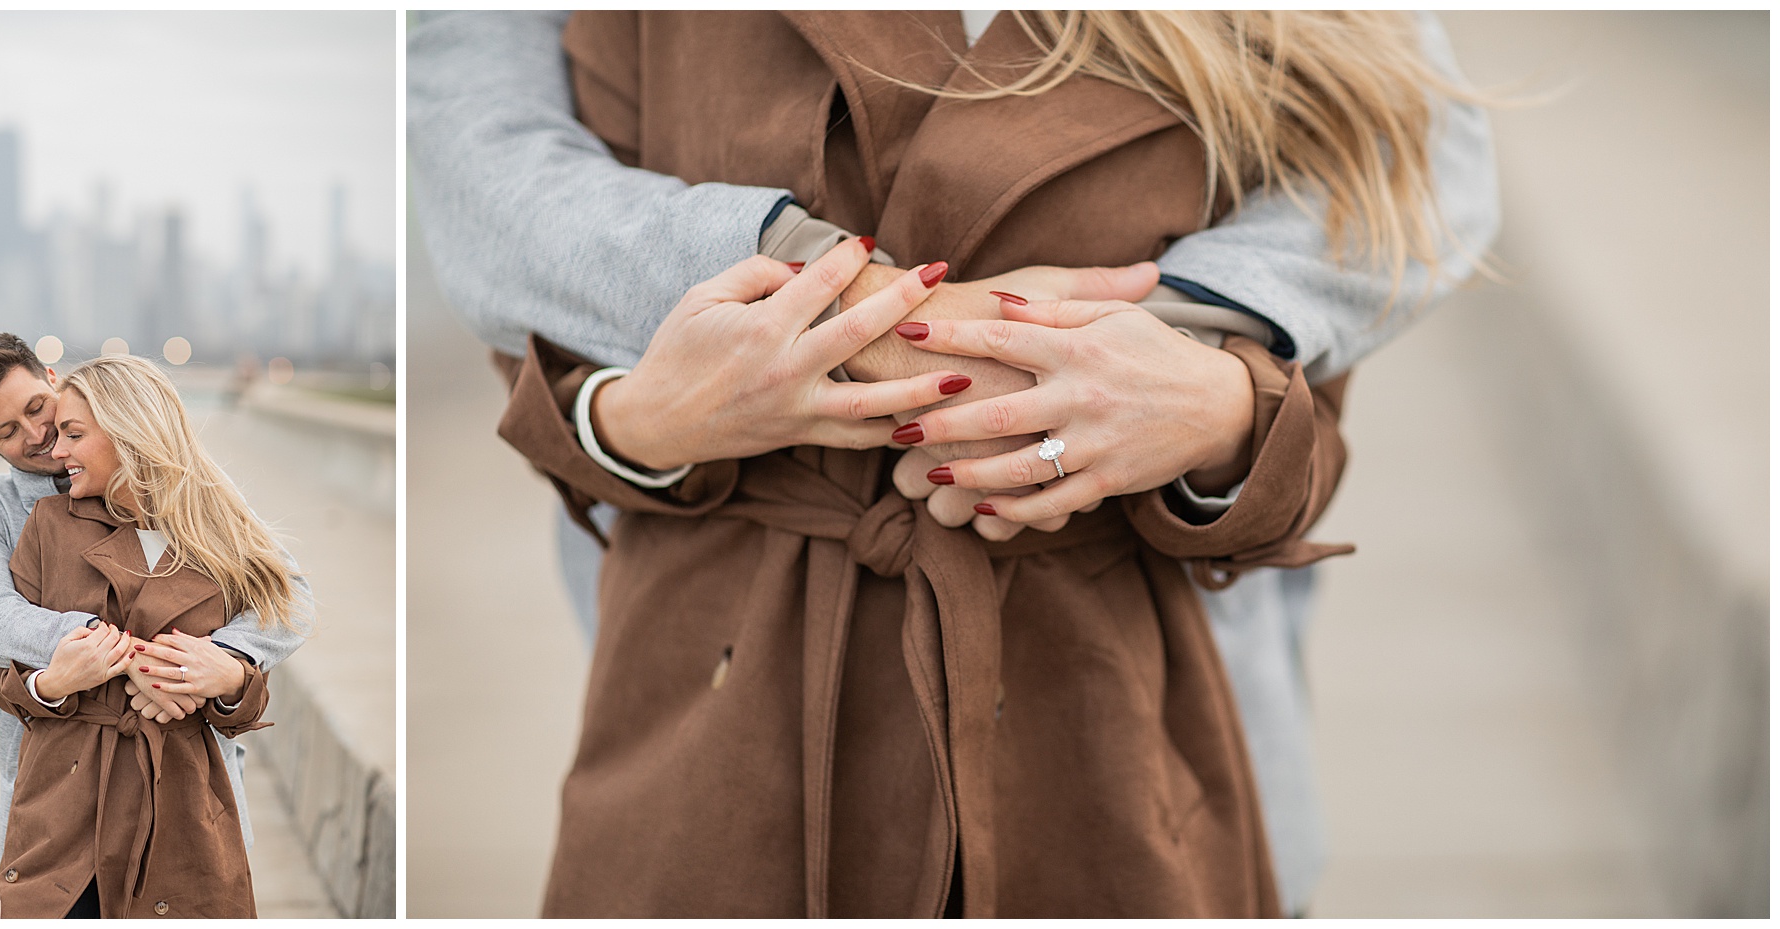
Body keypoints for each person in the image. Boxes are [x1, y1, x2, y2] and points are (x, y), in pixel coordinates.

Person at [409, 9, 1498, 916]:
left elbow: (1411, 156)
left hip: (1134, 737)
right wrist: (826, 307)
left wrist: (1183, 361)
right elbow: (483, 164)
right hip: (721, 731)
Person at [0, 335, 308, 913]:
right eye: (7, 431)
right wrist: (124, 657)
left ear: (54, 381)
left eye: (39, 410)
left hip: (186, 789)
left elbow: (288, 595)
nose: (40, 438)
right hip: (58, 798)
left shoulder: (194, 494)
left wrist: (217, 663)